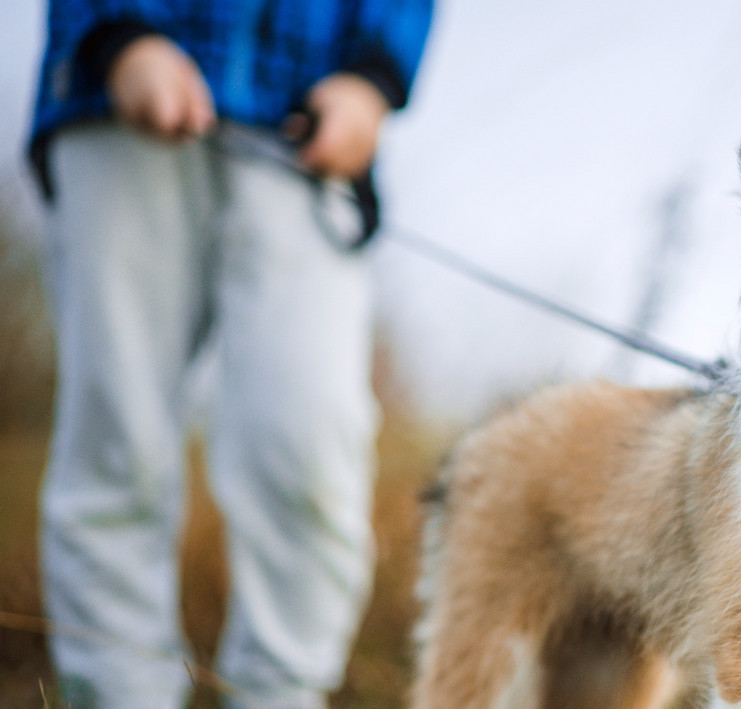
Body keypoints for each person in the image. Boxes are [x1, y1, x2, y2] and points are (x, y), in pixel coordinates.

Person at [28, 1, 433, 706]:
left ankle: (282, 692)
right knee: (115, 440)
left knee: (309, 441)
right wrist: (114, 35)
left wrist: (374, 77)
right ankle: (117, 691)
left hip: (307, 117)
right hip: (111, 101)